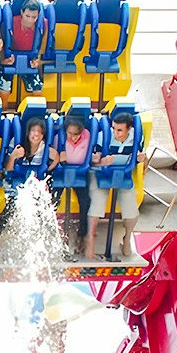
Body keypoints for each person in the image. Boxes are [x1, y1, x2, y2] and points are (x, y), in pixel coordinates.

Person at [84, 111, 139, 261]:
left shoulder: (135, 137)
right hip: (101, 172)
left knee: (132, 210)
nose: (115, 133)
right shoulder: (104, 136)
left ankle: (126, 239)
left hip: (123, 174)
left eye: (119, 130)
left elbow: (138, 155)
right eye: (114, 128)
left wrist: (141, 158)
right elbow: (92, 159)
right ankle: (90, 239)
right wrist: (102, 161)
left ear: (129, 129)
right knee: (97, 204)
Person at [0, 117, 51, 239]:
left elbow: (55, 158)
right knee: (13, 204)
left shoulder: (44, 148)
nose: (36, 134)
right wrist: (13, 157)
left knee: (39, 205)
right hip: (14, 179)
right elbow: (7, 170)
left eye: (40, 132)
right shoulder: (16, 141)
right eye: (33, 130)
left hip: (33, 181)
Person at [56, 114, 93, 253]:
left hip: (80, 172)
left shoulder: (87, 136)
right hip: (61, 172)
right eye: (70, 134)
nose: (73, 137)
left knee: (85, 202)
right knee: (53, 200)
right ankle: (52, 231)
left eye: (77, 134)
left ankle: (82, 235)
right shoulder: (58, 137)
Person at [0, 0, 46, 98]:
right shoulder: (10, 23)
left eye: (34, 17)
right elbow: (2, 45)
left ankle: (34, 112)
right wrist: (3, 59)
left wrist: (37, 60)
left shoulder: (43, 25)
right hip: (10, 61)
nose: (30, 20)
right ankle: (4, 111)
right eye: (27, 16)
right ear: (22, 12)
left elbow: (42, 46)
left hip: (29, 61)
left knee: (37, 89)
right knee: (4, 89)